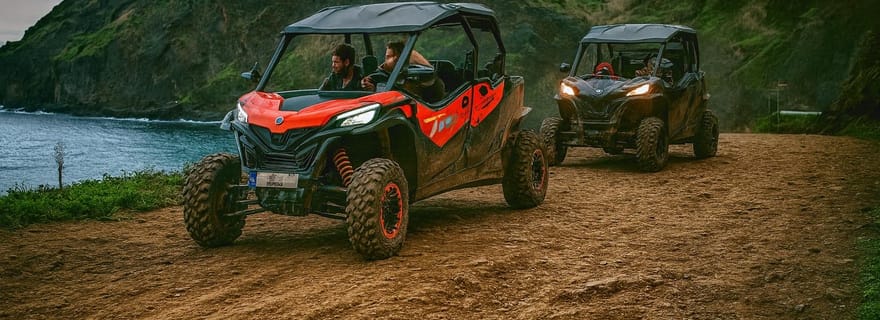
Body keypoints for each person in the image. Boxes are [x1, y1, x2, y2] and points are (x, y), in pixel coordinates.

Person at [361, 41, 445, 101]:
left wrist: (415, 57)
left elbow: (437, 94)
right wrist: (371, 89)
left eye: (395, 56)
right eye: (388, 57)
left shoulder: (415, 74)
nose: (391, 60)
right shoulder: (378, 76)